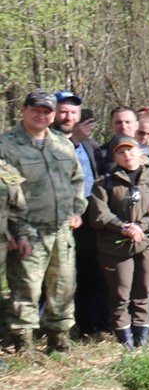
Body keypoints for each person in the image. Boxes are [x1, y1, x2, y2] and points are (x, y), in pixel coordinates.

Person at [1, 90, 87, 353]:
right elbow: (6, 195)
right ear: (24, 111)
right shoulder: (7, 146)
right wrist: (18, 232)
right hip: (29, 231)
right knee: (26, 288)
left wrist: (76, 209)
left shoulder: (62, 144)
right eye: (36, 109)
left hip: (61, 229)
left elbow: (77, 180)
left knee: (63, 286)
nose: (41, 115)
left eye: (46, 111)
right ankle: (23, 342)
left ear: (53, 115)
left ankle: (58, 338)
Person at [86, 133, 149, 349]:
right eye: (121, 152)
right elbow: (99, 214)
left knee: (143, 291)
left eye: (131, 150)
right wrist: (123, 227)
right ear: (115, 156)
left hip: (147, 244)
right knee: (121, 293)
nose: (127, 155)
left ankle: (141, 335)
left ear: (139, 152)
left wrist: (141, 226)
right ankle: (124, 339)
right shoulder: (104, 183)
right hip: (115, 248)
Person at [55, 91, 108, 338]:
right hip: (59, 217)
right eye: (63, 111)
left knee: (91, 272)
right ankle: (48, 328)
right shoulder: (47, 139)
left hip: (89, 214)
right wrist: (73, 140)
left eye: (73, 112)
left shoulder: (89, 142)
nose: (68, 116)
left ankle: (89, 325)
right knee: (57, 277)